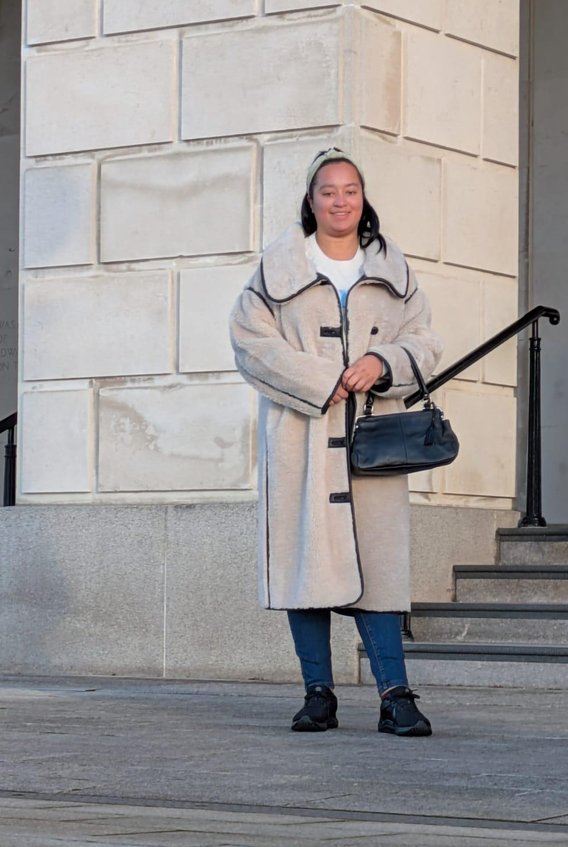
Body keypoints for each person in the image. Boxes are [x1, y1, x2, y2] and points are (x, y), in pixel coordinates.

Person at [230, 148, 443, 737]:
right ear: (311, 199)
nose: (340, 201)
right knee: (307, 562)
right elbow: (250, 342)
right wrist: (322, 381)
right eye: (328, 191)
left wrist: (383, 360)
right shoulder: (277, 270)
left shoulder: (394, 270)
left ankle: (395, 695)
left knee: (381, 566)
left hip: (375, 438)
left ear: (363, 197)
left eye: (350, 190)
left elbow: (425, 340)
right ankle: (317, 694)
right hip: (302, 434)